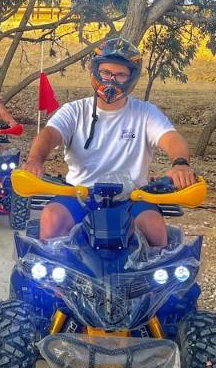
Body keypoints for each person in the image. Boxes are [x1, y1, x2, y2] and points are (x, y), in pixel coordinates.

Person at [20, 37, 197, 246]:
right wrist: (34, 160)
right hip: (79, 195)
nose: (111, 80)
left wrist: (180, 164)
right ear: (95, 72)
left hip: (132, 198)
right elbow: (50, 134)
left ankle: (152, 278)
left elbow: (171, 138)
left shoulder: (145, 113)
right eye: (106, 72)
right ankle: (49, 278)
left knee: (154, 225)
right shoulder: (75, 111)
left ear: (131, 78)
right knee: (52, 216)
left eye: (120, 74)